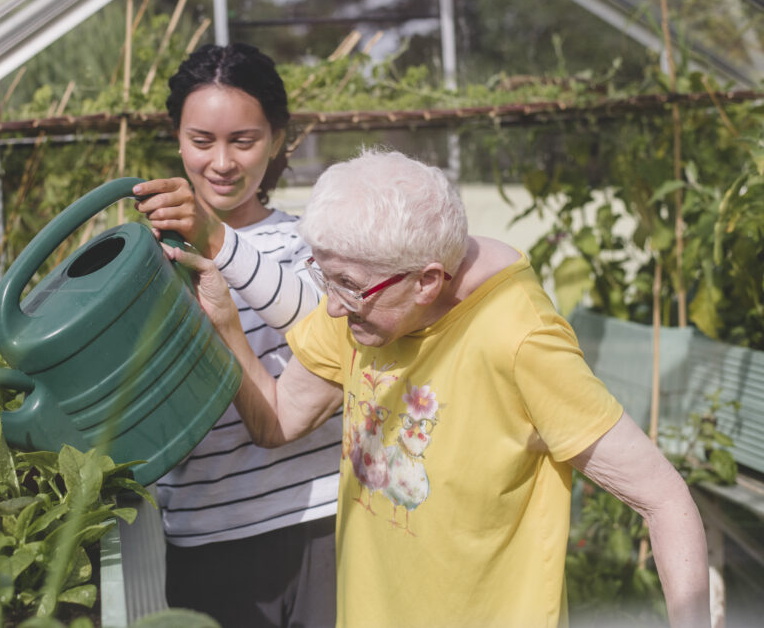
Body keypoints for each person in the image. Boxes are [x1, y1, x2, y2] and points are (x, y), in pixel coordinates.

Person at [160, 147, 711, 628]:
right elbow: (275, 420)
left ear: (427, 280)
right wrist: (225, 323)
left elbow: (663, 498)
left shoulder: (519, 339)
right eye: (324, 277)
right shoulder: (364, 298)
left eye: (346, 286)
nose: (329, 305)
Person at [132, 43, 339, 627]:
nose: (221, 162)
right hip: (205, 532)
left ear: (276, 140)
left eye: (243, 141)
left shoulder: (311, 243)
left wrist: (214, 236)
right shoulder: (147, 260)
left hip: (322, 519)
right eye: (202, 141)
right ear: (177, 139)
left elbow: (322, 332)